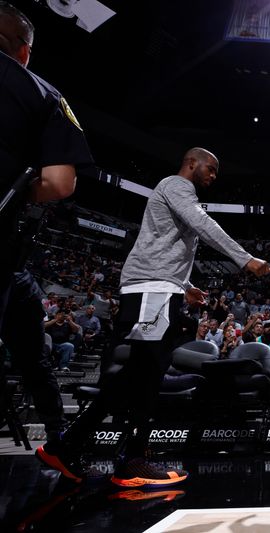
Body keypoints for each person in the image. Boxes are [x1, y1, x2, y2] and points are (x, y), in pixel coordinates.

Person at [36, 147, 270, 486]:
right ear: (191, 163)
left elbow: (164, 243)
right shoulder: (178, 186)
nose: (214, 176)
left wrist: (185, 284)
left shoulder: (175, 193)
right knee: (147, 375)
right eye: (211, 168)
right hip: (152, 294)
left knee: (139, 373)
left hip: (156, 291)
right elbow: (202, 224)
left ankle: (70, 444)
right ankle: (131, 460)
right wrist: (244, 257)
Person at [0, 1, 91, 444]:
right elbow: (59, 182)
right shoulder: (42, 93)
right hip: (3, 244)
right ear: (24, 50)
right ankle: (59, 439)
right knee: (32, 353)